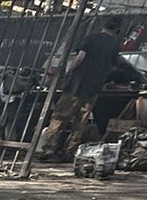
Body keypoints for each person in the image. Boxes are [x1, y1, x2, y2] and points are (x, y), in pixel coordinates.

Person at [44, 15, 135, 157]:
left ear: (103, 25)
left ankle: (49, 149)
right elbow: (113, 66)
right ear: (118, 29)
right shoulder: (114, 46)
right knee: (80, 122)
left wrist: (69, 71)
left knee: (60, 117)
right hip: (93, 90)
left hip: (76, 86)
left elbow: (80, 57)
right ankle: (70, 150)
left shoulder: (91, 38)